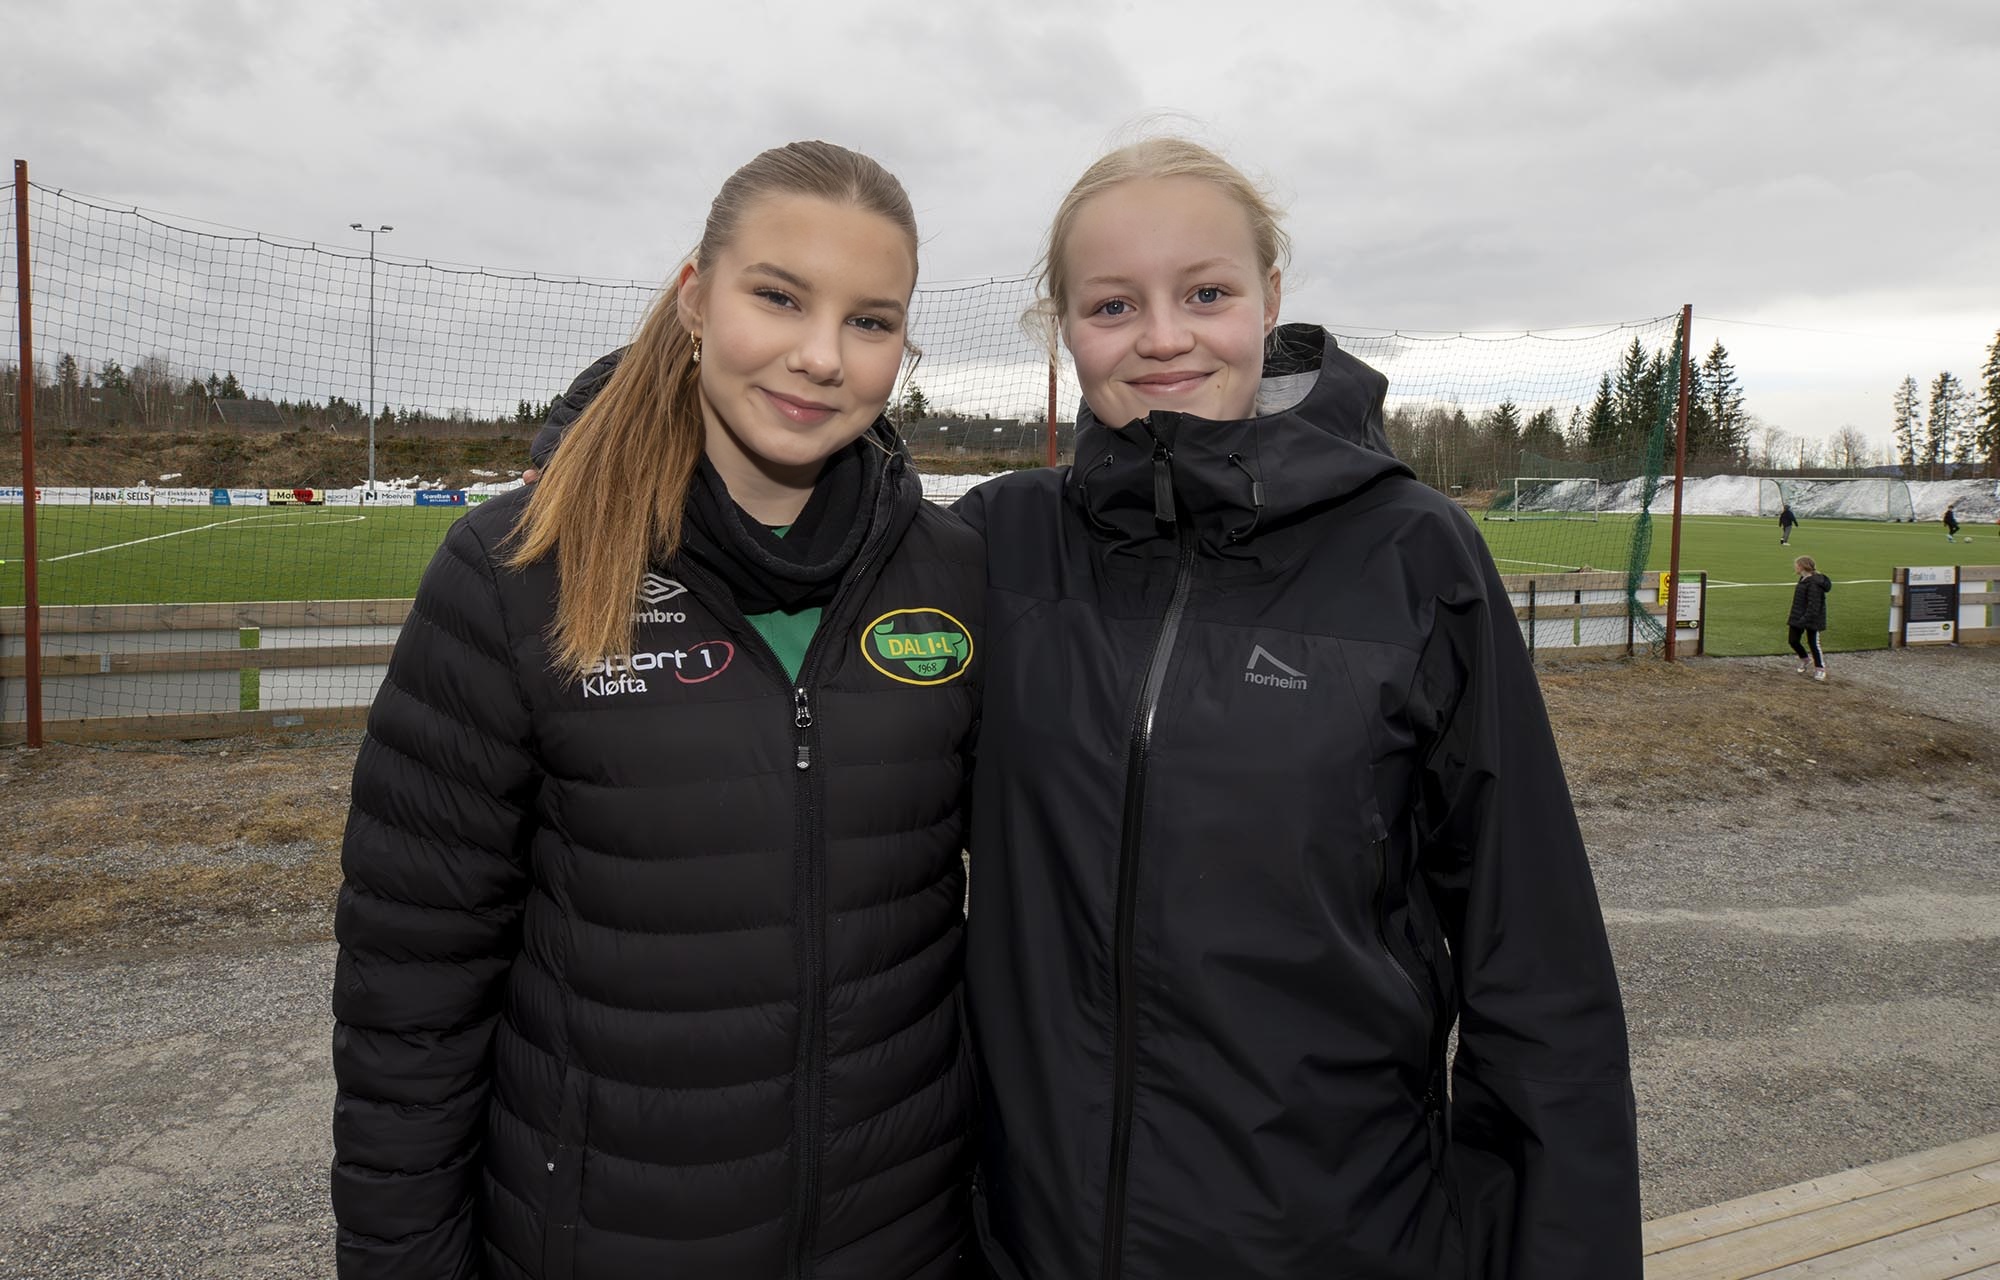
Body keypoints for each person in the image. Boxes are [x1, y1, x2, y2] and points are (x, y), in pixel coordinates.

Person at [953, 138, 1639, 1280]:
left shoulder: (1414, 555)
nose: (1162, 337)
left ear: (1270, 299)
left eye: (1205, 293)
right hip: (1030, 1246)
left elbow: (1534, 959)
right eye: (1112, 304)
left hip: (1336, 1239)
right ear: (1062, 326)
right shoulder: (995, 544)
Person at [331, 140, 985, 1280]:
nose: (820, 355)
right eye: (778, 296)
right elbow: (411, 987)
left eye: (871, 321)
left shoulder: (954, 572)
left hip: (901, 1237)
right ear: (694, 297)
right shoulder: (513, 569)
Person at [1788, 554, 1832, 680]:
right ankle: (1805, 659)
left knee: (1813, 644)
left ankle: (1820, 668)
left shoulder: (1814, 583)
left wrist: (1804, 619)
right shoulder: (1803, 579)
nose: (1795, 568)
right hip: (1798, 615)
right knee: (1793, 641)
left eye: (1796, 565)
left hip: (1812, 619)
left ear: (1802, 566)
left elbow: (1814, 605)